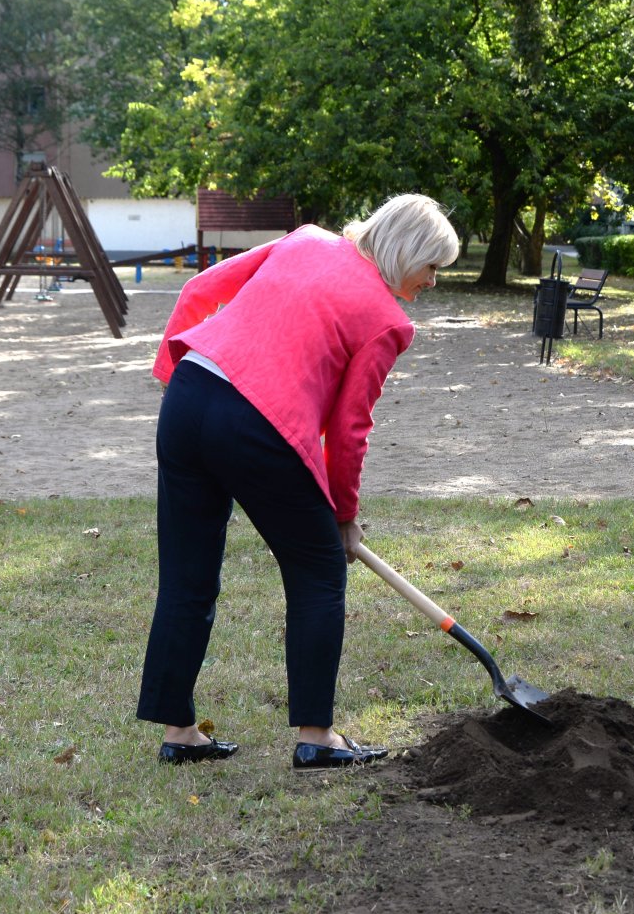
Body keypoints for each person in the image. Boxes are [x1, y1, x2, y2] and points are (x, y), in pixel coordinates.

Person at [136, 194, 459, 770]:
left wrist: (169, 374)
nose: (433, 281)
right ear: (408, 251)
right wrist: (342, 515)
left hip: (187, 399)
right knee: (318, 571)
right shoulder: (387, 321)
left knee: (187, 577)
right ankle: (317, 736)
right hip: (257, 426)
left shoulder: (306, 238)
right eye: (432, 265)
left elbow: (196, 292)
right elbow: (350, 428)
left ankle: (180, 732)